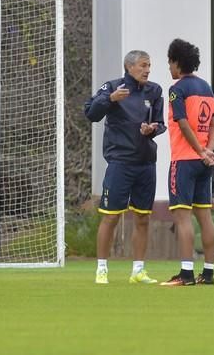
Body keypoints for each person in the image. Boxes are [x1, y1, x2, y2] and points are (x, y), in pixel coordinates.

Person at [84, 50, 166, 284]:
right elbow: (90, 113)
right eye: (143, 65)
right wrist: (109, 100)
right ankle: (101, 269)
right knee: (111, 217)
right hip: (120, 163)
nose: (147, 69)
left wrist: (153, 129)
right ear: (129, 67)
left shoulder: (155, 91)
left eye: (149, 65)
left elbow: (161, 124)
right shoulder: (112, 87)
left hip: (146, 163)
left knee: (142, 218)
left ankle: (138, 271)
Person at [160, 38, 214, 286]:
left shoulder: (177, 89)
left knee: (183, 217)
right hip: (203, 163)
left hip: (184, 161)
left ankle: (186, 274)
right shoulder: (206, 87)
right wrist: (208, 151)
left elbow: (182, 122)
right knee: (205, 217)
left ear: (177, 62)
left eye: (169, 62)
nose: (169, 67)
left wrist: (198, 149)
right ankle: (208, 273)